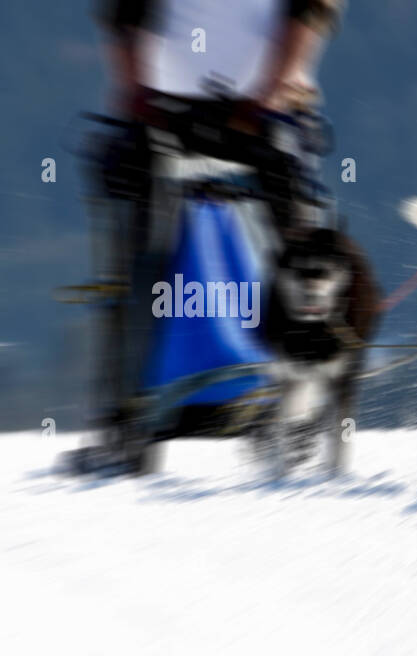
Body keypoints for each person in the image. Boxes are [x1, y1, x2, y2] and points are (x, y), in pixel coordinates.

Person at [80, 0, 344, 473]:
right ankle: (126, 422)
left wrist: (273, 91)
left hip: (270, 108)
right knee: (139, 252)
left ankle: (296, 413)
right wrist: (138, 94)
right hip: (165, 109)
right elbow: (123, 13)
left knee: (302, 258)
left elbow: (312, 10)